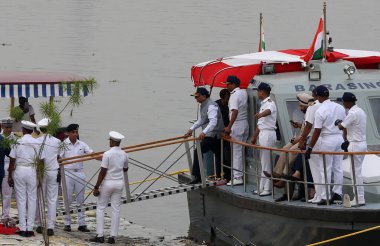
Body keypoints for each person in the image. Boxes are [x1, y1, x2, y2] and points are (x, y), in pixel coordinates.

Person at [306, 85, 346, 205]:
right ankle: (338, 194)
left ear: (318, 96)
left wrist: (310, 147)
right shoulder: (340, 107)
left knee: (325, 169)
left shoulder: (320, 110)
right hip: (339, 138)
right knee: (338, 167)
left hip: (327, 139)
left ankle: (325, 196)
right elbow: (343, 125)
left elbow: (317, 131)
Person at [264, 93, 313, 182]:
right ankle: (276, 173)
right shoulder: (307, 113)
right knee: (284, 148)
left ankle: (285, 174)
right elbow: (306, 126)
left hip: (306, 140)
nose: (299, 108)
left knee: (292, 151)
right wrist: (299, 125)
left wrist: (299, 139)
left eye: (301, 106)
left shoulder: (311, 113)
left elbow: (311, 130)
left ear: (306, 106)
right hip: (301, 138)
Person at [8, 120, 45, 237]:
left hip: (20, 170)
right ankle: (30, 228)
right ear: (32, 131)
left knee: (21, 199)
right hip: (32, 171)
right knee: (32, 198)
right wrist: (40, 176)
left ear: (23, 130)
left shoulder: (18, 142)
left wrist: (9, 176)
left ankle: (23, 227)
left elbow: (12, 160)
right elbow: (41, 161)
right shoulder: (37, 142)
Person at [90, 131, 129, 244]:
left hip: (108, 183)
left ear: (112, 141)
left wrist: (96, 187)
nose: (109, 142)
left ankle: (100, 235)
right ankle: (112, 237)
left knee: (101, 208)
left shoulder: (107, 154)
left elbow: (102, 172)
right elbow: (126, 169)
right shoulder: (124, 154)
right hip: (119, 183)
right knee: (116, 209)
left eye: (110, 140)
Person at [185, 87, 224, 184]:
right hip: (211, 134)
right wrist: (191, 129)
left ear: (204, 96)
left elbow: (213, 122)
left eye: (197, 97)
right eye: (195, 97)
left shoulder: (211, 106)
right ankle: (219, 175)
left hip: (214, 135)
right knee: (218, 154)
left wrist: (204, 132)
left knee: (198, 150)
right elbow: (201, 120)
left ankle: (197, 176)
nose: (196, 99)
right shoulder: (203, 105)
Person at [59, 124, 93, 232]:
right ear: (68, 133)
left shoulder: (82, 144)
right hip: (68, 174)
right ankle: (67, 223)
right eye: (73, 132)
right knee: (67, 199)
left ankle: (82, 223)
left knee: (80, 199)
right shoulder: (63, 144)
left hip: (79, 173)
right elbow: (58, 157)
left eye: (76, 132)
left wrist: (106, 159)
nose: (75, 134)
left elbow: (92, 154)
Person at [336, 92, 367, 207]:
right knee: (357, 172)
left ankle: (359, 199)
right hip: (362, 143)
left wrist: (338, 122)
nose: (343, 104)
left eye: (343, 102)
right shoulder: (361, 111)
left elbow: (341, 126)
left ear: (347, 102)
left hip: (355, 145)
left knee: (355, 173)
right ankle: (359, 198)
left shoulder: (352, 113)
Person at [35, 118, 62, 236]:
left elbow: (40, 160)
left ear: (40, 129)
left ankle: (41, 224)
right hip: (53, 171)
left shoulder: (38, 141)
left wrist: (39, 176)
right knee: (52, 199)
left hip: (43, 171)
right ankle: (50, 227)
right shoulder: (57, 141)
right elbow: (58, 157)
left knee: (41, 198)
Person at [298, 89, 324, 204]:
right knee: (324, 169)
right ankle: (320, 195)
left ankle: (319, 195)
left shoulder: (313, 107)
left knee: (316, 169)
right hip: (327, 140)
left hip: (316, 140)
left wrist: (302, 141)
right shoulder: (331, 106)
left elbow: (309, 126)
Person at [251, 82, 277, 196]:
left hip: (268, 134)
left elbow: (269, 111)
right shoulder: (263, 104)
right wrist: (254, 136)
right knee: (263, 162)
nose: (257, 93)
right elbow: (260, 125)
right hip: (263, 133)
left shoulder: (270, 103)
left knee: (266, 163)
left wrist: (261, 114)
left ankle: (267, 188)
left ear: (262, 92)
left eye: (258, 91)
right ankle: (261, 187)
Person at [223, 76, 249, 186]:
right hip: (245, 123)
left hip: (237, 124)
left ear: (233, 84)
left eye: (228, 84)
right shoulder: (244, 92)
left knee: (236, 152)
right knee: (241, 151)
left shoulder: (234, 95)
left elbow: (234, 112)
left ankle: (238, 177)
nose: (226, 86)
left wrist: (229, 127)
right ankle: (241, 174)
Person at [1, 118, 16, 219]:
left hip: (9, 167)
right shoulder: (0, 137)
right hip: (1, 164)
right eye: (7, 127)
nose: (9, 129)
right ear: (2, 127)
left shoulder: (14, 139)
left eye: (10, 127)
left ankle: (5, 215)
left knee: (7, 193)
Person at [215, 88, 231, 181]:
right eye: (228, 97)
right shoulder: (216, 105)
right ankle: (218, 174)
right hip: (219, 134)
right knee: (219, 155)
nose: (229, 99)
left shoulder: (230, 105)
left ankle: (227, 175)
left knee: (227, 156)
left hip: (228, 133)